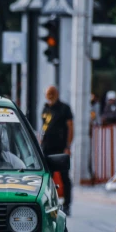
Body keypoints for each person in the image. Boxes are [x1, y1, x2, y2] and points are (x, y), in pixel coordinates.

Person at [40, 86, 74, 215]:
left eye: (52, 94)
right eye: (48, 94)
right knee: (48, 177)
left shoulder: (64, 108)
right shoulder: (45, 108)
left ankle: (67, 204)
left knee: (65, 177)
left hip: (60, 147)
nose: (50, 97)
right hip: (47, 147)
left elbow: (70, 127)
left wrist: (68, 146)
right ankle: (49, 203)